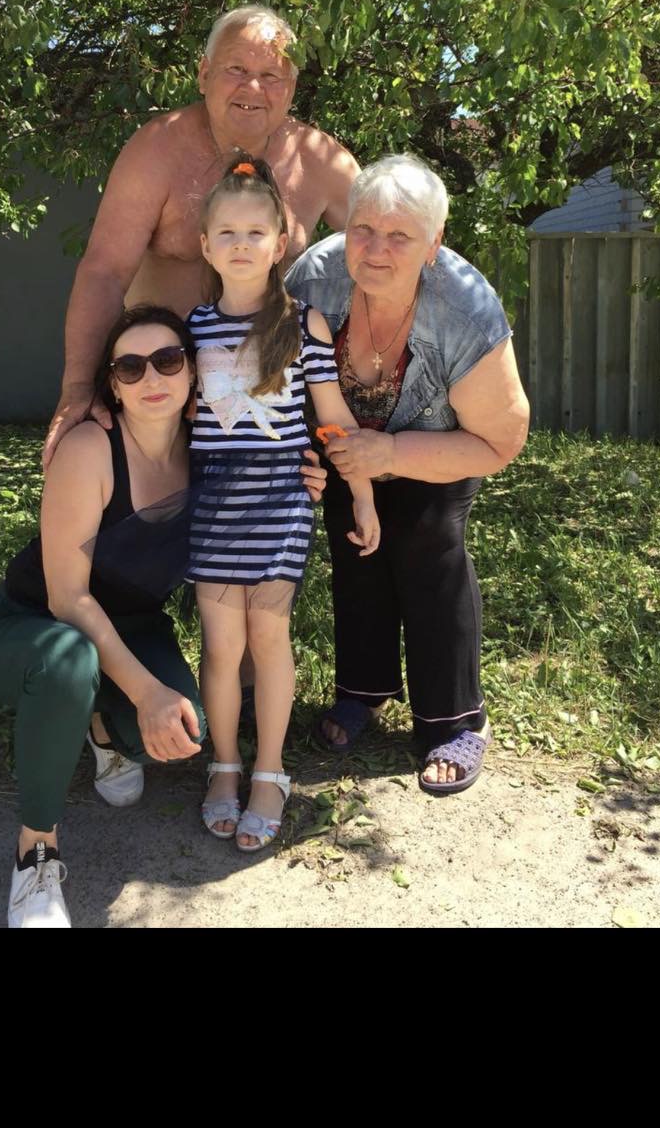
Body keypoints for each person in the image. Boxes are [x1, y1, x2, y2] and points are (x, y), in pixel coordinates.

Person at [0, 303, 329, 926]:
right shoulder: (90, 449)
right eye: (129, 367)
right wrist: (146, 691)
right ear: (112, 385)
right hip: (33, 625)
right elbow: (66, 599)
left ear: (193, 372)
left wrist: (303, 479)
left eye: (167, 360)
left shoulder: (209, 450)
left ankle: (102, 729)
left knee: (181, 735)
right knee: (70, 665)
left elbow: (269, 473)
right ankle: (36, 856)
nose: (151, 378)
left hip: (132, 625)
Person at [285, 153, 530, 795]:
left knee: (426, 538)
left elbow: (501, 439)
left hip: (444, 445)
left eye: (400, 236)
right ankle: (363, 691)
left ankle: (455, 719)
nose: (376, 250)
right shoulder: (313, 279)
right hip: (342, 441)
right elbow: (274, 372)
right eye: (363, 229)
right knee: (354, 541)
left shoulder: (465, 308)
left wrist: (392, 454)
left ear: (433, 242)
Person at [43, 5, 360, 469]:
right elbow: (104, 270)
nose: (253, 88)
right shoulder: (157, 148)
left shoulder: (319, 160)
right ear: (204, 74)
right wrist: (77, 387)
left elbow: (392, 243)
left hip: (266, 411)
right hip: (160, 388)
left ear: (291, 89)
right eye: (236, 69)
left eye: (271, 75)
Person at [189, 157, 380, 853]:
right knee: (221, 645)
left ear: (280, 243)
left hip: (280, 503)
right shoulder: (193, 328)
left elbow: (332, 419)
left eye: (255, 232)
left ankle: (269, 772)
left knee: (268, 639)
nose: (241, 244)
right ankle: (224, 765)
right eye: (227, 232)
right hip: (212, 506)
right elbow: (176, 422)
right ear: (206, 245)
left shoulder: (307, 325)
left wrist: (361, 494)